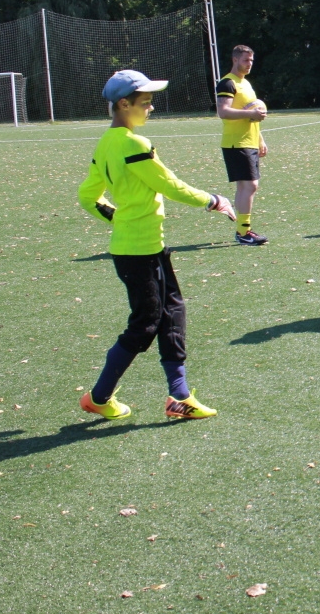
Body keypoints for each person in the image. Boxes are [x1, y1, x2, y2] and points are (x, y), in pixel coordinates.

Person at [77, 70, 236, 420]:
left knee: (172, 312)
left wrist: (118, 219)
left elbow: (88, 196)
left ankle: (179, 396)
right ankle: (99, 397)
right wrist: (212, 200)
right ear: (124, 104)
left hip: (144, 249)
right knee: (145, 324)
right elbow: (169, 184)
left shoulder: (106, 143)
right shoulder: (134, 144)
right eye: (145, 102)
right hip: (139, 252)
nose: (151, 108)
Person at [215, 44, 268, 245]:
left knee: (245, 186)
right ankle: (244, 233)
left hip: (249, 141)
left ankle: (242, 231)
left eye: (251, 60)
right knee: (250, 185)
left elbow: (252, 118)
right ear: (235, 59)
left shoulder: (246, 84)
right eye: (246, 60)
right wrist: (251, 113)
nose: (249, 64)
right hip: (236, 142)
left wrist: (260, 139)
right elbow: (223, 111)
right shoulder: (227, 83)